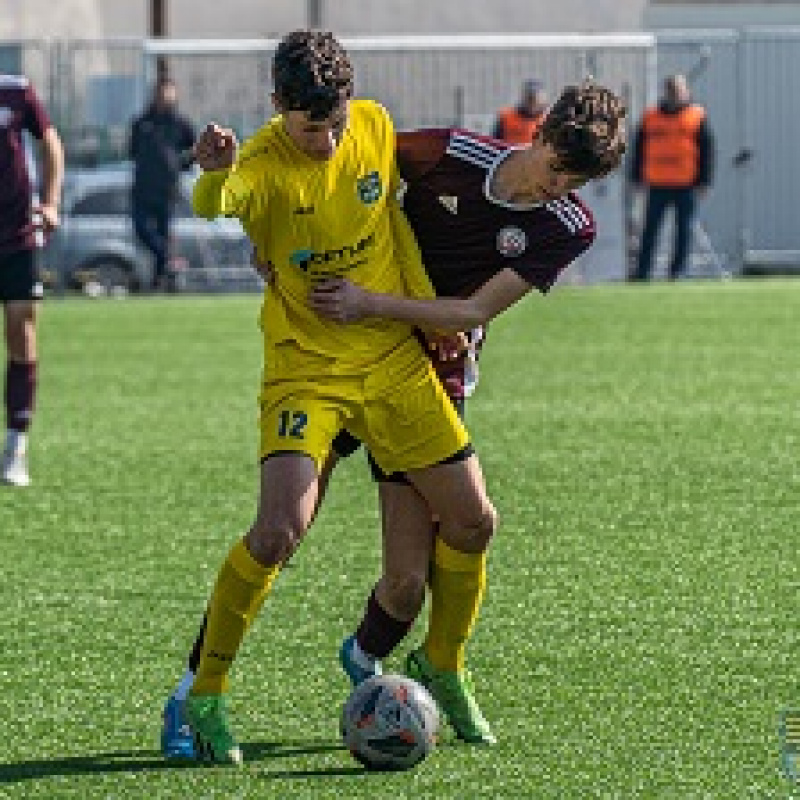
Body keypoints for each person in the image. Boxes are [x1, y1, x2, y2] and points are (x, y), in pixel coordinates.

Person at [160, 79, 626, 759]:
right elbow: (332, 156)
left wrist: (371, 302)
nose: (557, 187)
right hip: (331, 352)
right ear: (539, 131)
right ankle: (191, 694)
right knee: (278, 535)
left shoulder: (567, 225)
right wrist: (267, 234)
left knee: (418, 572)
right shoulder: (445, 153)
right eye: (556, 167)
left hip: (420, 370)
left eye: (575, 180)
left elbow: (470, 314)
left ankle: (433, 664)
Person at [171, 30, 497, 766]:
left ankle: (441, 664)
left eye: (337, 122)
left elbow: (395, 234)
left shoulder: (375, 125)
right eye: (312, 127)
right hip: (307, 369)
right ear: (280, 109)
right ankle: (207, 694)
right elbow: (219, 201)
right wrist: (214, 172)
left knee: (474, 521)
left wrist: (426, 318)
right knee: (278, 531)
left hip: (390, 359)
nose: (327, 140)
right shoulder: (260, 162)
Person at [0, 74, 64, 487]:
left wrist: (52, 201)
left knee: (22, 329)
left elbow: (51, 142)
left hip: (18, 234)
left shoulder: (16, 89)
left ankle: (15, 446)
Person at [629, 73, 714, 281]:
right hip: (657, 183)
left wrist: (704, 181)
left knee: (683, 231)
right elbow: (639, 149)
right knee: (650, 231)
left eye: (679, 89)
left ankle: (678, 272)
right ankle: (642, 273)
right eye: (671, 89)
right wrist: (636, 177)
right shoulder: (650, 116)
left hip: (686, 184)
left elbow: (707, 151)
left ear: (686, 91)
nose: (675, 94)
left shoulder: (696, 116)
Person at [128, 76, 195, 292]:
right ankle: (168, 260)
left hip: (167, 190)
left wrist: (178, 165)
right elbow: (132, 151)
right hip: (143, 189)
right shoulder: (141, 122)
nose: (164, 97)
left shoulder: (180, 123)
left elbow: (192, 151)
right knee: (142, 229)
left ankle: (159, 282)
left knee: (164, 234)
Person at [492, 79, 549, 145]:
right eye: (530, 99)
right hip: (510, 153)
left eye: (536, 101)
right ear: (524, 98)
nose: (533, 105)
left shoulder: (546, 120)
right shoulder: (506, 116)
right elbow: (494, 143)